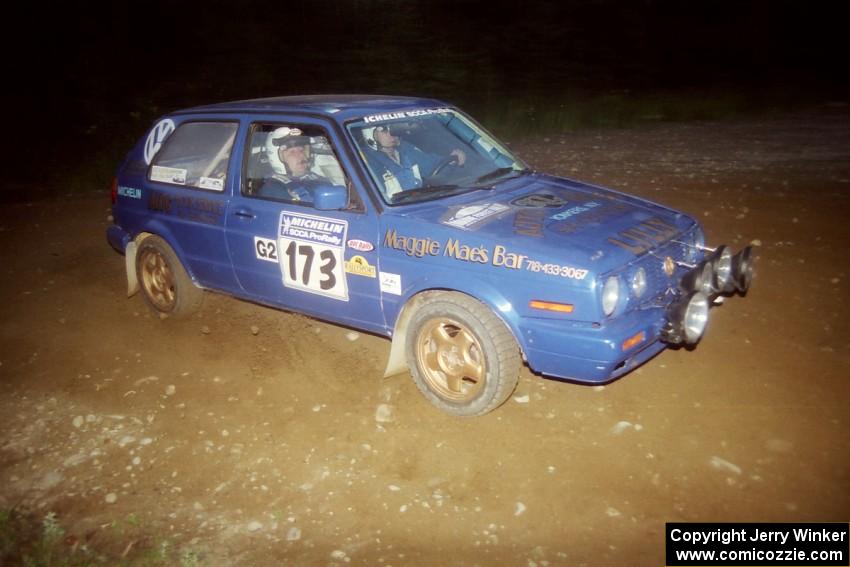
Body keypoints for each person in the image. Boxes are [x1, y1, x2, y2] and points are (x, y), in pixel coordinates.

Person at [364, 124, 466, 198]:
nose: (392, 135)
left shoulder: (405, 149)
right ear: (371, 133)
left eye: (394, 129)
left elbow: (431, 164)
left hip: (422, 201)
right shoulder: (366, 162)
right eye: (384, 130)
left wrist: (452, 160)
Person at [259, 126, 329, 203]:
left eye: (302, 150)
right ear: (276, 157)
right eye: (292, 152)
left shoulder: (316, 178)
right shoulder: (274, 189)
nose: (301, 155)